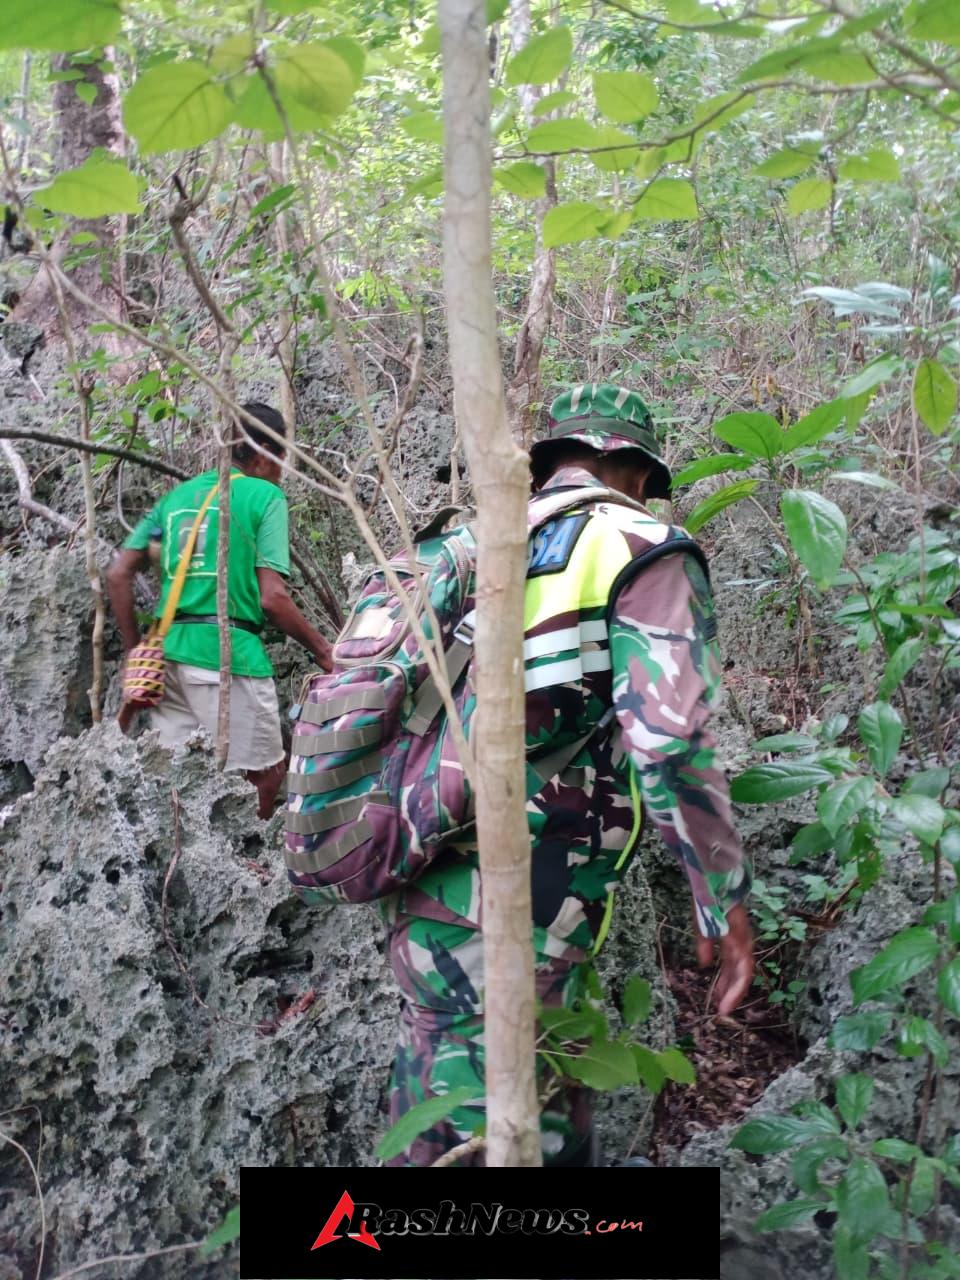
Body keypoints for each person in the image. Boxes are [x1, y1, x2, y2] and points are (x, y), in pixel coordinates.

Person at [384, 383, 754, 1167]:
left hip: (423, 867)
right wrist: (721, 901)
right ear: (636, 468)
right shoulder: (639, 543)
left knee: (441, 1108)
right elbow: (671, 740)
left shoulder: (472, 541)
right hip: (522, 897)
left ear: (551, 462)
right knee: (511, 1131)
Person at [107, 402, 333, 818]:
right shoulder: (265, 496)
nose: (283, 468)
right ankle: (254, 876)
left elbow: (119, 573)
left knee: (180, 782)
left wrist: (134, 650)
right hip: (228, 661)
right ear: (263, 451)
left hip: (167, 663)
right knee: (264, 775)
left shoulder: (178, 498)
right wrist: (324, 653)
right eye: (282, 456)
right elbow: (273, 599)